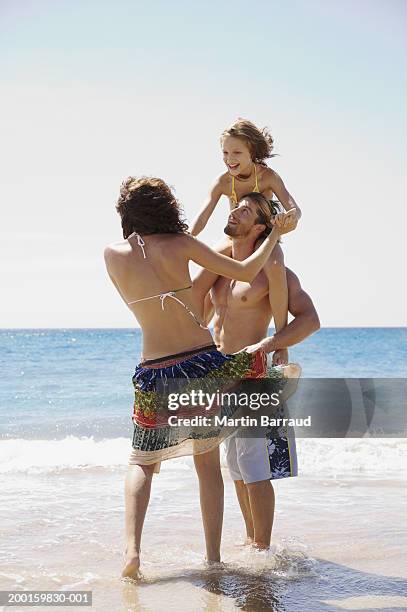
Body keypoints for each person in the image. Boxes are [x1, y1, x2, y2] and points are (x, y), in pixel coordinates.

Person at [103, 176, 297, 579]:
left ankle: (131, 552)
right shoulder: (181, 244)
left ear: (127, 213)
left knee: (142, 462)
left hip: (153, 369)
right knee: (206, 465)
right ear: (167, 208)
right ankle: (212, 558)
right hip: (200, 364)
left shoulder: (111, 254)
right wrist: (274, 236)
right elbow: (244, 267)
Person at [192, 192, 320, 549]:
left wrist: (269, 344)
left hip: (253, 377)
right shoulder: (220, 268)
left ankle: (263, 551)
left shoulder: (272, 273)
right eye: (235, 206)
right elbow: (201, 316)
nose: (234, 211)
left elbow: (311, 320)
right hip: (220, 378)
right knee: (235, 466)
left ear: (260, 226)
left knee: (255, 468)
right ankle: (252, 542)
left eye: (244, 210)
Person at [190, 117, 302, 366]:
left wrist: (288, 218)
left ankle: (281, 345)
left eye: (237, 152)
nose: (230, 158)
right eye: (225, 152)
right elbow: (202, 217)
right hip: (234, 237)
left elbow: (294, 208)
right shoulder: (222, 181)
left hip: (264, 235)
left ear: (253, 151)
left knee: (276, 266)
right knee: (199, 276)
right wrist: (185, 239)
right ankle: (192, 340)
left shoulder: (268, 176)